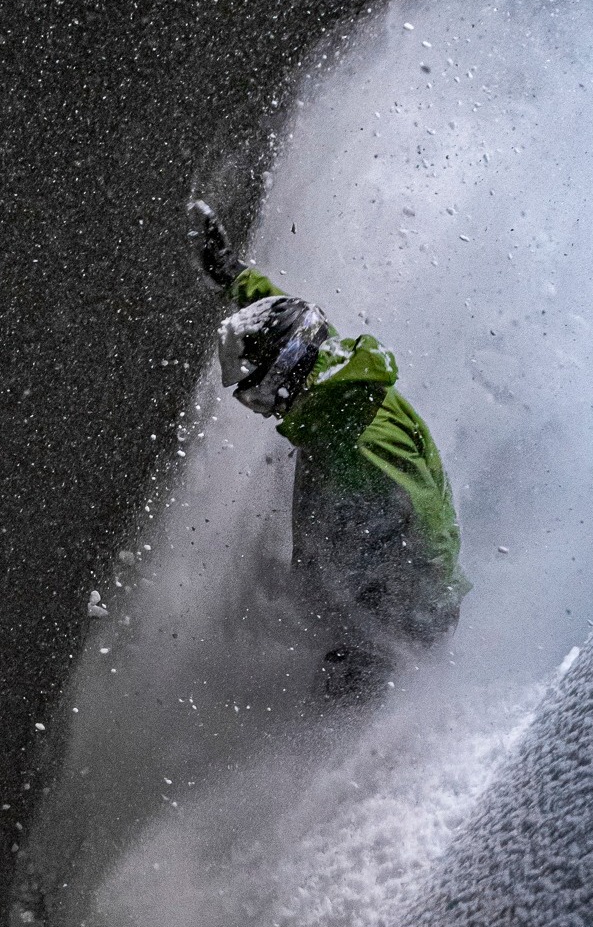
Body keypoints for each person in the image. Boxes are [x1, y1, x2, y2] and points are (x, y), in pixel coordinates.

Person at [189, 199, 469, 699]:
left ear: (285, 372)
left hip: (396, 622)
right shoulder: (331, 378)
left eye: (255, 385)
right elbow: (280, 316)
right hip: (364, 596)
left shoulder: (360, 438)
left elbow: (428, 523)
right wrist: (232, 274)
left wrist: (407, 629)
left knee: (337, 713)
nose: (258, 402)